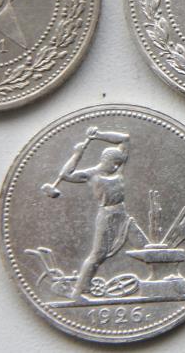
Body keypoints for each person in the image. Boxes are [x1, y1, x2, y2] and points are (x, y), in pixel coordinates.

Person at [57, 126, 131, 298]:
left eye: (119, 163)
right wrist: (77, 154)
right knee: (98, 254)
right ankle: (78, 291)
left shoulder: (118, 167)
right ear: (104, 160)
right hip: (106, 215)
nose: (116, 166)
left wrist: (99, 135)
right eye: (114, 163)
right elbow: (65, 174)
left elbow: (125, 138)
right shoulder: (91, 174)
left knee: (141, 243)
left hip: (122, 214)